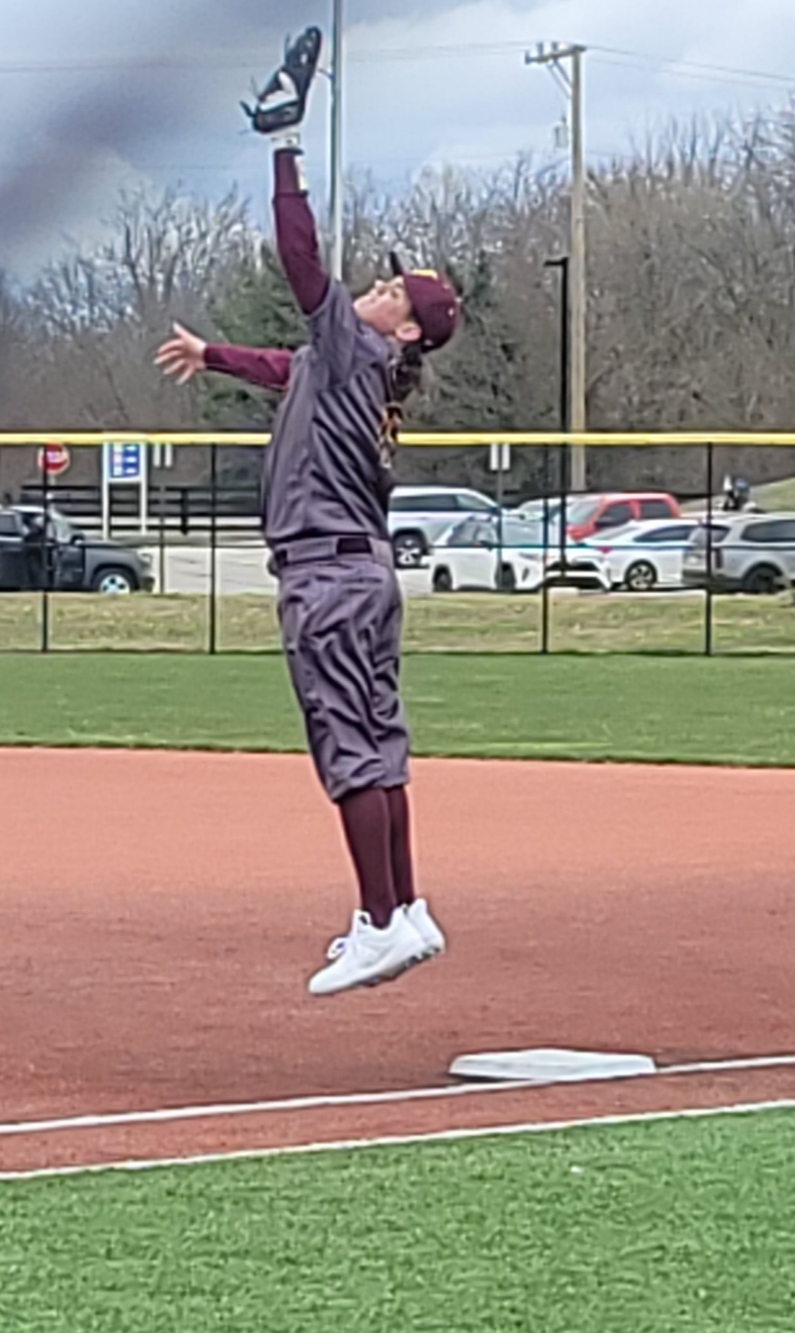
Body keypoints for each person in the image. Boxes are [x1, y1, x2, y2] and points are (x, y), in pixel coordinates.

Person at [155, 25, 461, 997]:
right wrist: (213, 356)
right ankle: (402, 908)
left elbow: (300, 263)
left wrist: (284, 148)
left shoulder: (356, 347)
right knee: (381, 744)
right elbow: (284, 366)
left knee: (348, 748)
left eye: (389, 292)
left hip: (326, 578)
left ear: (404, 330)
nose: (372, 291)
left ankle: (380, 921)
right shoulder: (352, 370)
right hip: (362, 573)